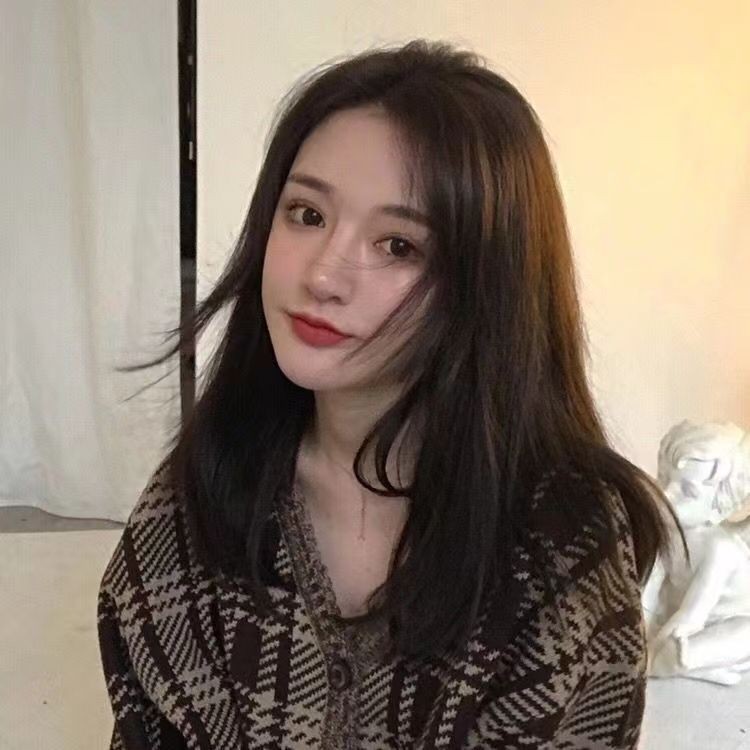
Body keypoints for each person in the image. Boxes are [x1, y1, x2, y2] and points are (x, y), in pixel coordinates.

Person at [97, 38, 686, 749]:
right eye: (306, 214)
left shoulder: (564, 543)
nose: (322, 275)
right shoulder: (195, 499)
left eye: (399, 246)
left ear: (485, 285)